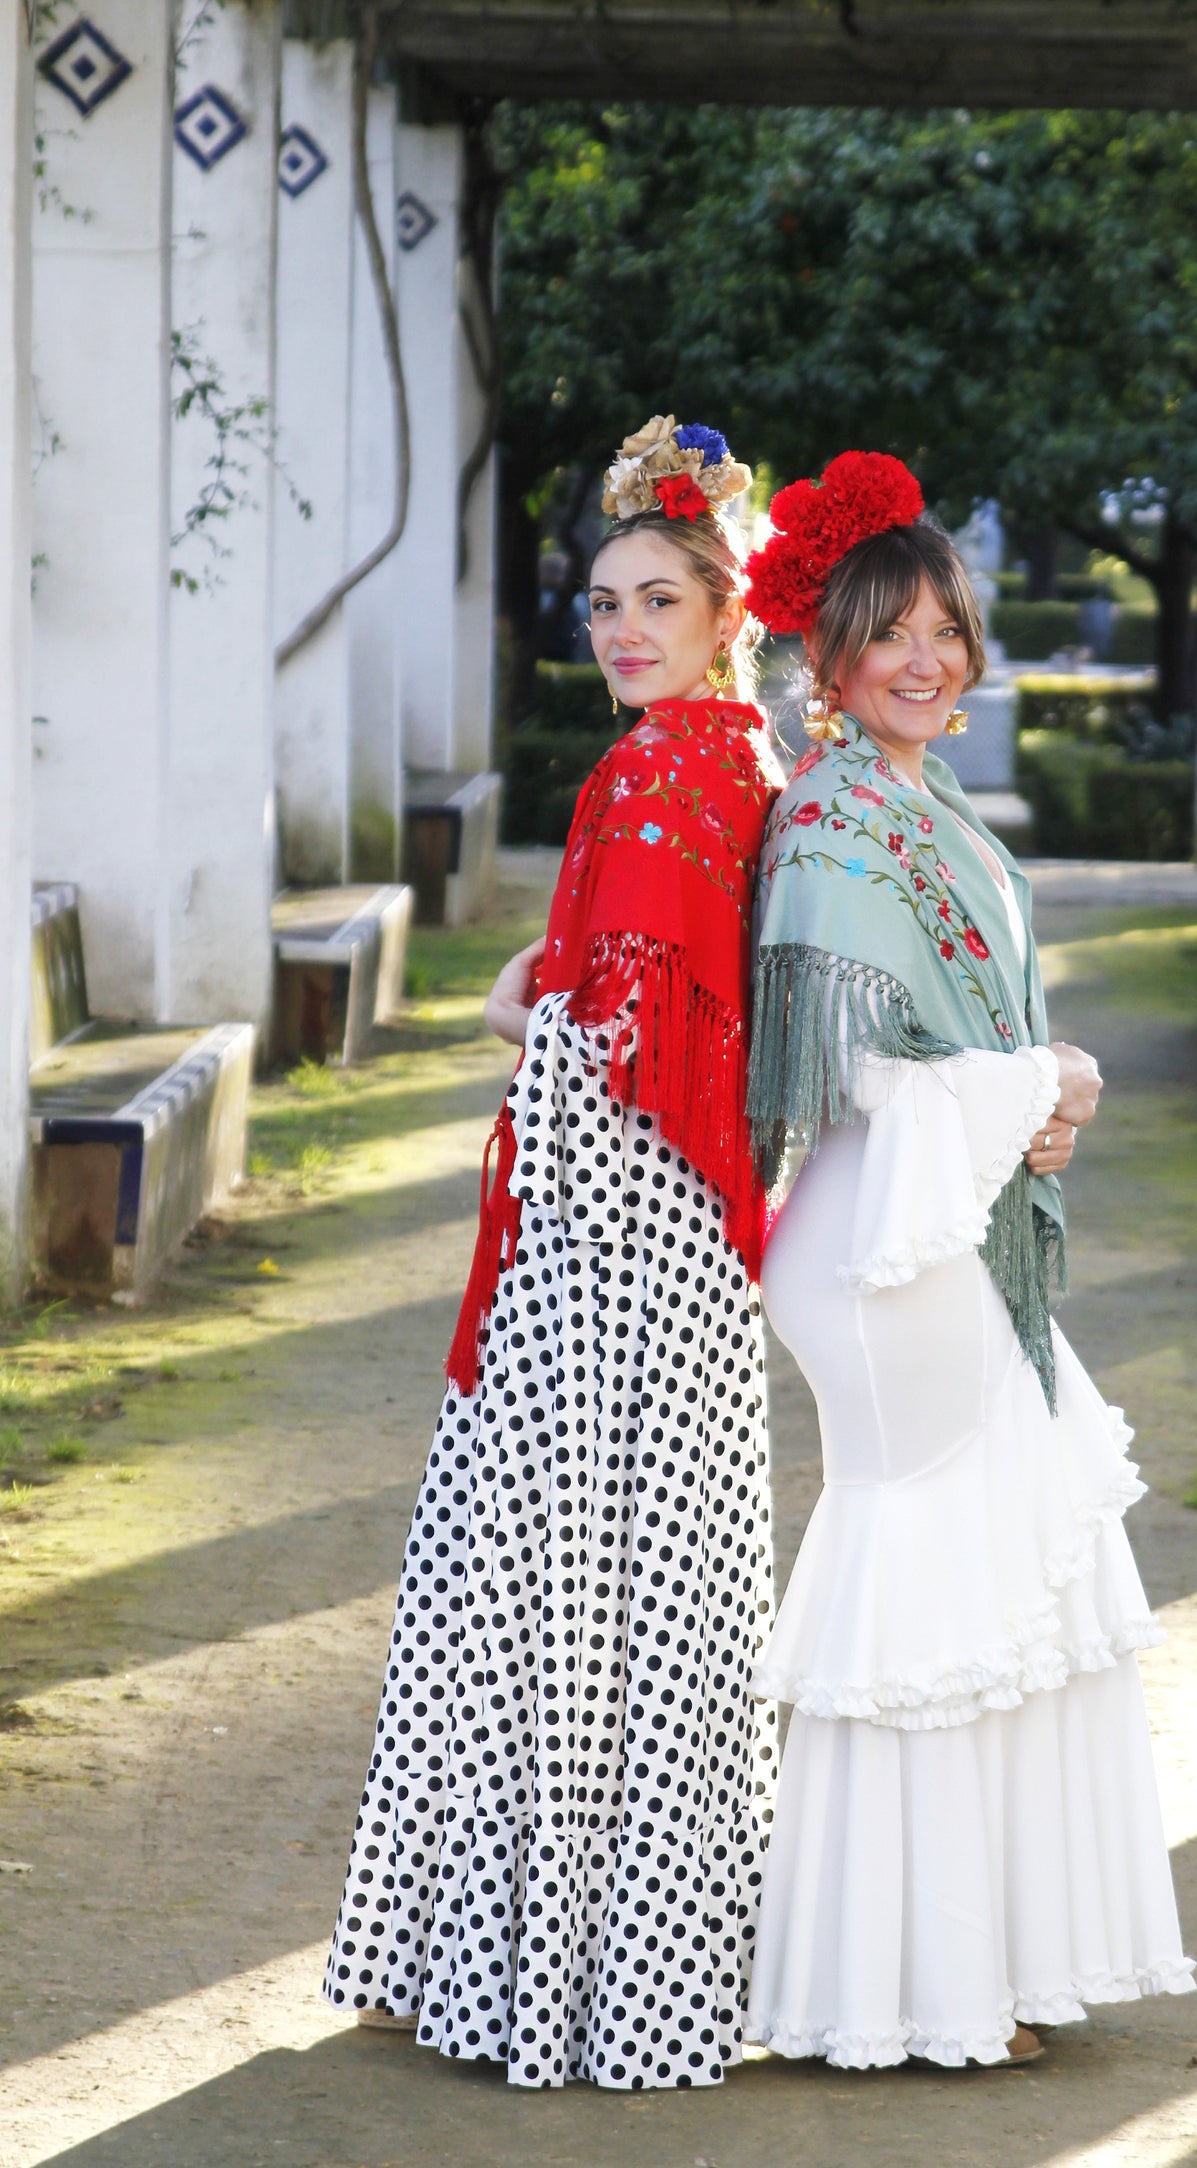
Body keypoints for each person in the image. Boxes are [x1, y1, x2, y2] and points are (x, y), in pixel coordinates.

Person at [323, 417, 782, 2090]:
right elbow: (646, 992)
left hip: (609, 1253)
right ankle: (634, 1975)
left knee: (541, 1591)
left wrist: (528, 1022)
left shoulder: (668, 769)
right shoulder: (723, 758)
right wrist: (552, 991)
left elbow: (628, 1045)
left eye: (659, 600)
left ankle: (530, 1973)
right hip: (666, 1249)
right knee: (643, 1602)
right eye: (602, 603)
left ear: (726, 612)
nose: (623, 630)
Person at [739, 451, 1194, 2070]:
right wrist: (1047, 1078)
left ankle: (968, 1969)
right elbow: (863, 1073)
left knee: (996, 1573)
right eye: (889, 632)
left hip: (938, 1219)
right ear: (829, 654)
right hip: (883, 1245)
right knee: (934, 1588)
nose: (924, 658)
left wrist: (1034, 1099)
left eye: (944, 627)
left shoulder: (917, 799)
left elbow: (960, 1058)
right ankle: (909, 1990)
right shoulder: (830, 818)